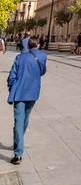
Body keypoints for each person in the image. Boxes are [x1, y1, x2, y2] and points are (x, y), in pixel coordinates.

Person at [7, 37, 47, 165]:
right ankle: (17, 142)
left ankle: (18, 154)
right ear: (38, 45)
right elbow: (42, 71)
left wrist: (12, 87)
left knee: (19, 121)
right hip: (33, 93)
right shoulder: (43, 56)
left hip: (19, 94)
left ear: (28, 46)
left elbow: (12, 77)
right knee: (25, 119)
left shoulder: (20, 58)